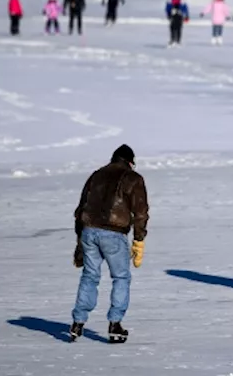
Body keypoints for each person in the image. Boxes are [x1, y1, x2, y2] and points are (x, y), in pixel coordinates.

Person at [71, 145, 148, 344]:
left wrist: (80, 242)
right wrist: (139, 240)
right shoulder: (133, 178)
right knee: (121, 277)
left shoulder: (96, 175)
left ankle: (78, 322)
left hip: (89, 231)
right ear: (130, 162)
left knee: (90, 275)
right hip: (113, 234)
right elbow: (140, 213)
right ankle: (115, 323)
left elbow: (80, 209)